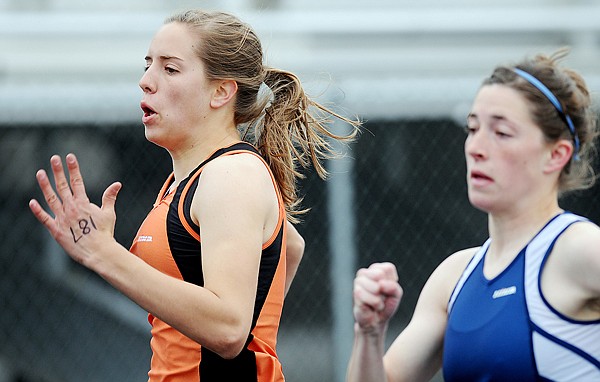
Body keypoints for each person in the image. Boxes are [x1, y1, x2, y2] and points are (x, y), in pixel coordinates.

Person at [29, 9, 359, 382]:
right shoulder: (187, 179)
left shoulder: (231, 176)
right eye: (148, 64)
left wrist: (104, 254)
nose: (146, 81)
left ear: (221, 92)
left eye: (170, 69)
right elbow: (290, 246)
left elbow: (229, 330)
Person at [347, 50, 600, 382]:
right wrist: (369, 333)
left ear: (556, 154)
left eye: (502, 133)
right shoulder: (454, 276)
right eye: (472, 128)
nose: (476, 147)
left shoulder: (580, 248)